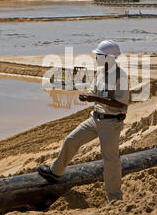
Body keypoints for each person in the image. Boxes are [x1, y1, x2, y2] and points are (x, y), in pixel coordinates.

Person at [37, 40, 129, 202]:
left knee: (111, 160)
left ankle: (114, 198)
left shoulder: (120, 76)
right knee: (71, 140)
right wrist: (87, 96)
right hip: (96, 118)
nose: (95, 58)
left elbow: (121, 102)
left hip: (111, 123)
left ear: (108, 57)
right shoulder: (100, 73)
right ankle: (56, 172)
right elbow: (94, 92)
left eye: (98, 55)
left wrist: (94, 98)